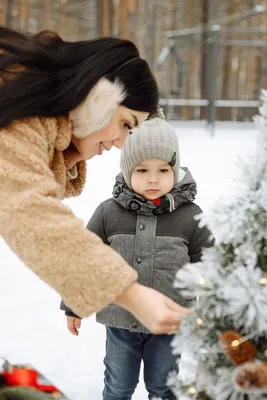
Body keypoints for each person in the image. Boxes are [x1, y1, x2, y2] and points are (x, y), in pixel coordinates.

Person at [0, 26, 188, 334]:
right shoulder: (21, 95)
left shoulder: (36, 105)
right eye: (126, 124)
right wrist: (134, 296)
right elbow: (28, 210)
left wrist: (68, 154)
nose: (120, 143)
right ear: (99, 97)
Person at [61, 116, 214, 399]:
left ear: (175, 170)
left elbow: (209, 265)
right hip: (120, 322)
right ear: (127, 169)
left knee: (163, 386)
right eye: (142, 169)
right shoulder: (109, 213)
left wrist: (212, 307)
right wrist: (73, 305)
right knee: (118, 386)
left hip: (170, 321)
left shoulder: (190, 216)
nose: (153, 178)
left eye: (163, 170)